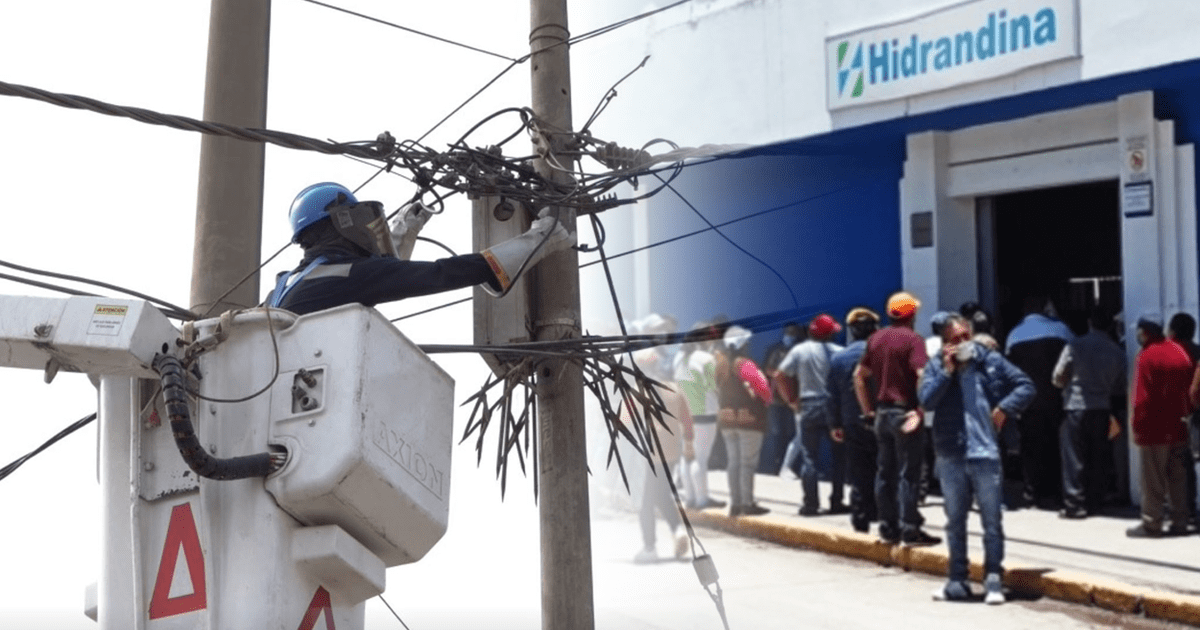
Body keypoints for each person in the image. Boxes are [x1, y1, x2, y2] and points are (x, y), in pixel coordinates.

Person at [264, 182, 574, 315]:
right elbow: (438, 274)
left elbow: (384, 275)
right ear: (339, 223)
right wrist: (539, 240)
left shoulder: (283, 285)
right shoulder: (349, 274)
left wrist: (406, 229)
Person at [920, 313, 1034, 605]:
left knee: (991, 521)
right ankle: (957, 580)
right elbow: (926, 401)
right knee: (955, 521)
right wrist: (947, 372)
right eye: (954, 340)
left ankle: (993, 578)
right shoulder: (936, 365)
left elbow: (1025, 384)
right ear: (945, 344)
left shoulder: (990, 361)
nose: (962, 344)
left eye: (964, 337)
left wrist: (1005, 408)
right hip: (951, 452)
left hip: (985, 452)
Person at [854, 292, 940, 546]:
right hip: (905, 412)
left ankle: (887, 525)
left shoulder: (875, 339)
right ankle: (910, 527)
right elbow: (922, 374)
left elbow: (859, 376)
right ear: (910, 315)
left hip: (881, 412)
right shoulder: (913, 340)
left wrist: (868, 410)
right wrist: (923, 408)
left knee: (885, 472)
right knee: (909, 473)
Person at [1052, 309, 1126, 518]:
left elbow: (1058, 376)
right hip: (1102, 407)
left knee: (1074, 457)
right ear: (1110, 326)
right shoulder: (1117, 351)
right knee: (1098, 456)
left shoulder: (1075, 345)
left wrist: (1066, 386)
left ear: (1089, 322)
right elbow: (1121, 385)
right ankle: (1096, 502)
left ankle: (1075, 504)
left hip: (1075, 405)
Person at [1127, 314, 1193, 538]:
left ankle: (1152, 523)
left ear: (1145, 332)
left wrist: (1137, 426)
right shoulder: (1178, 352)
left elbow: (1142, 397)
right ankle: (1180, 521)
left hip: (1154, 426)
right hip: (1179, 424)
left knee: (1153, 479)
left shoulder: (1146, 356)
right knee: (1178, 477)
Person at [1005, 295, 1072, 509]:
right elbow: (1072, 362)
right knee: (1058, 448)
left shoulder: (1014, 335)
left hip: (1028, 405)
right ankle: (1058, 492)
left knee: (1031, 450)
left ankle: (1032, 493)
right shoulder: (1062, 330)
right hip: (1057, 400)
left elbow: (1008, 373)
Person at [779, 314, 845, 515]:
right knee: (838, 457)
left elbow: (781, 375)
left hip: (808, 405)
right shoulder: (840, 352)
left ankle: (810, 504)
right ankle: (836, 501)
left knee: (809, 457)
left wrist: (791, 400)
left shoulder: (799, 351)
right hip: (833, 407)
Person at [827, 307, 881, 532]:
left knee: (858, 473)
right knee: (883, 468)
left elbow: (832, 395)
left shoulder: (839, 358)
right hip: (880, 419)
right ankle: (881, 514)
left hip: (852, 422)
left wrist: (835, 424)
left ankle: (860, 517)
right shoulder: (882, 353)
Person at [714, 325, 771, 517]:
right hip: (749, 419)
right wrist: (766, 401)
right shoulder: (745, 364)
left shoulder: (720, 365)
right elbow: (764, 389)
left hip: (727, 419)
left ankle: (735, 503)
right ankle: (747, 503)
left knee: (733, 462)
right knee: (747, 463)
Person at [674, 321, 726, 510]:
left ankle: (690, 499)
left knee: (686, 457)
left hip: (684, 414)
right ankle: (702, 499)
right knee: (700, 459)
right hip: (705, 413)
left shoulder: (679, 357)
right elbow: (715, 384)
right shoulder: (706, 358)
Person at [760, 323, 804, 474]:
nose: (791, 336)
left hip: (795, 399)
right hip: (778, 400)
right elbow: (766, 369)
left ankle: (792, 466)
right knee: (779, 434)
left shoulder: (799, 350)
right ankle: (777, 465)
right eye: (789, 332)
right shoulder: (775, 350)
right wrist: (781, 373)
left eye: (794, 333)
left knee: (795, 434)